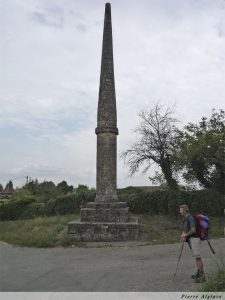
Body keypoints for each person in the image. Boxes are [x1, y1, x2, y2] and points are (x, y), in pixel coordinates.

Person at [179, 204, 206, 283]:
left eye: (180, 210)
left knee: (197, 257)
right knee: (196, 256)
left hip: (195, 239)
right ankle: (198, 273)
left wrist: (185, 235)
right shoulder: (186, 219)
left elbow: (193, 230)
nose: (179, 212)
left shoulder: (190, 218)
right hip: (191, 239)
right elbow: (186, 230)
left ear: (185, 210)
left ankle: (202, 276)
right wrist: (183, 234)